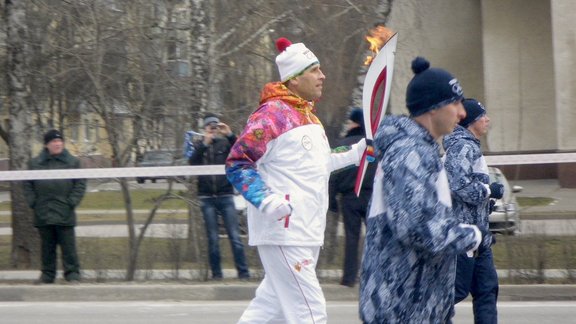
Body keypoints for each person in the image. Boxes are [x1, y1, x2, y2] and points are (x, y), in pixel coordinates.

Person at [226, 37, 366, 324]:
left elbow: (320, 162)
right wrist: (266, 199)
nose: (322, 76)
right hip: (284, 230)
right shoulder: (272, 115)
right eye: (314, 70)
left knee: (269, 309)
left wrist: (357, 152)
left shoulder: (308, 118)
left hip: (306, 228)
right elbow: (238, 162)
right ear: (294, 79)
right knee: (310, 312)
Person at [359, 57, 483, 323]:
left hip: (418, 306)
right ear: (433, 109)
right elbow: (417, 227)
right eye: (455, 103)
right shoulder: (408, 153)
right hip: (401, 308)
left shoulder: (421, 151)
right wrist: (471, 234)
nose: (462, 113)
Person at [443, 98, 503, 324]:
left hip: (480, 238)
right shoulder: (461, 147)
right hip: (463, 236)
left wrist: (485, 205)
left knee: (487, 291)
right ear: (470, 122)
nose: (487, 119)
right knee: (454, 292)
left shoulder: (472, 146)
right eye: (481, 116)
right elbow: (458, 187)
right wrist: (489, 190)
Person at [188, 113, 250, 281]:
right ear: (204, 129)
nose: (213, 129)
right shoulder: (199, 146)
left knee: (235, 237)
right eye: (210, 126)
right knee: (213, 238)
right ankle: (217, 275)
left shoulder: (225, 144)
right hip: (206, 198)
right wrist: (204, 144)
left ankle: (244, 274)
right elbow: (192, 163)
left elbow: (241, 151)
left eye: (215, 126)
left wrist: (229, 134)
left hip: (225, 195)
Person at [24, 129, 86, 284]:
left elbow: (80, 184)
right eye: (53, 141)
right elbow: (27, 185)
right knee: (47, 248)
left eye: (59, 141)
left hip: (65, 212)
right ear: (47, 145)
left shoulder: (73, 162)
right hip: (43, 212)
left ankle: (72, 275)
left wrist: (71, 202)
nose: (57, 144)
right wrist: (34, 203)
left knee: (68, 247)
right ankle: (47, 275)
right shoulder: (35, 164)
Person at [328, 107, 376, 288]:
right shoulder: (374, 145)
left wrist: (331, 200)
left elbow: (333, 174)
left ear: (355, 123)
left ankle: (349, 278)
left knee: (351, 238)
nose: (348, 124)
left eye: (350, 121)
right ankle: (373, 276)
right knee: (374, 238)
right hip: (372, 196)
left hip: (349, 197)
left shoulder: (343, 144)